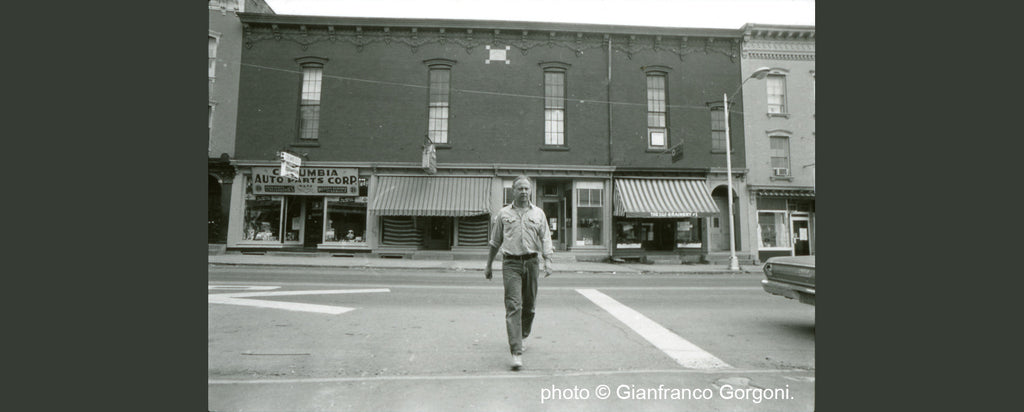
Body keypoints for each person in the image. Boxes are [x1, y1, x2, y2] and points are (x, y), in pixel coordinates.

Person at [484, 175, 554, 371]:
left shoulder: (538, 213)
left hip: (532, 262)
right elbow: (495, 241)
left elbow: (546, 237)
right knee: (514, 306)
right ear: (512, 191)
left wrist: (548, 260)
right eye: (520, 188)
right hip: (511, 264)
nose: (524, 192)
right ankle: (516, 352)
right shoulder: (503, 214)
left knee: (529, 307)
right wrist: (488, 265)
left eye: (526, 188)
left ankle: (522, 335)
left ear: (530, 191)